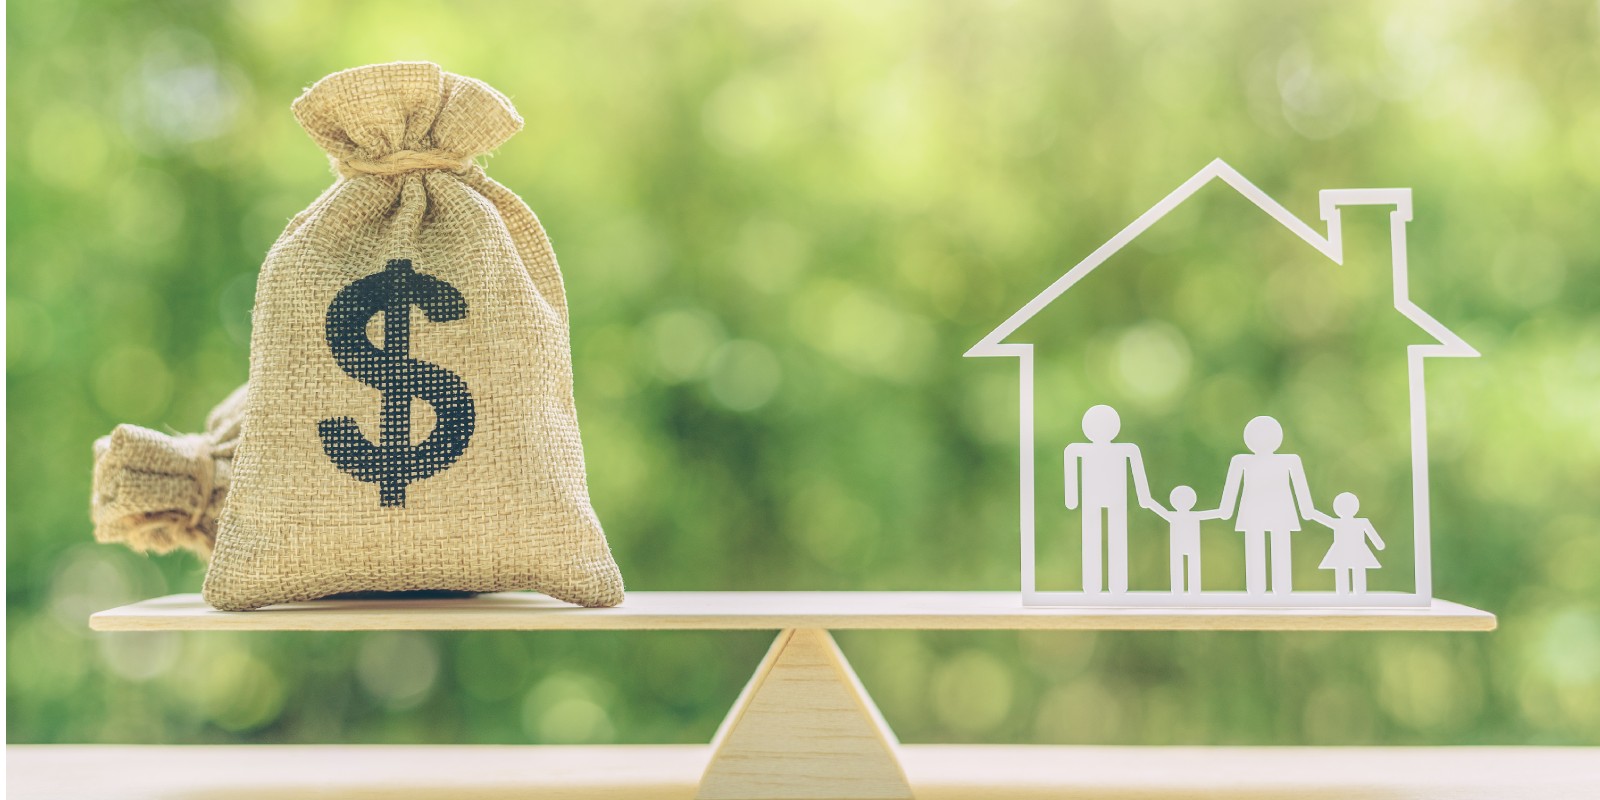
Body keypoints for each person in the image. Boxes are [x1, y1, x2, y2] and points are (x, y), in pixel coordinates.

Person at [1215, 416, 1326, 595]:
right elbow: (1232, 488)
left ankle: (1281, 589)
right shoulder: (1242, 461)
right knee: (1255, 547)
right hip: (1255, 511)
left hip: (1279, 510)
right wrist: (1225, 510)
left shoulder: (1289, 461)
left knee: (1279, 546)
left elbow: (1300, 488)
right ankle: (1256, 589)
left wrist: (1307, 510)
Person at [1064, 405, 1156, 594]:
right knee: (1092, 539)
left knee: (1117, 539)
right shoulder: (1078, 449)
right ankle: (1091, 585)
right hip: (1093, 499)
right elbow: (1070, 466)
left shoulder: (1127, 449)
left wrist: (1144, 496)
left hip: (1115, 500)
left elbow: (1138, 472)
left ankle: (1118, 585)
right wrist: (1071, 497)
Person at [1147, 485, 1224, 594]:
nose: (1183, 502)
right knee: (1179, 568)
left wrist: (1223, 512)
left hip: (1191, 546)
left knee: (1192, 567)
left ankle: (1193, 592)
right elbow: (1152, 505)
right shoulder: (1175, 516)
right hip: (1179, 547)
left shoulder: (1188, 516)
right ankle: (1180, 592)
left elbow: (1218, 513)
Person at [1316, 492, 1385, 595]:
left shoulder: (1359, 522)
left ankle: (1356, 592)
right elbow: (1323, 519)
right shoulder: (1355, 522)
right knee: (1347, 569)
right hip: (1347, 551)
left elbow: (1324, 519)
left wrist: (1312, 514)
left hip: (1353, 551)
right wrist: (1312, 513)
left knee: (1353, 569)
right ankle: (1346, 592)